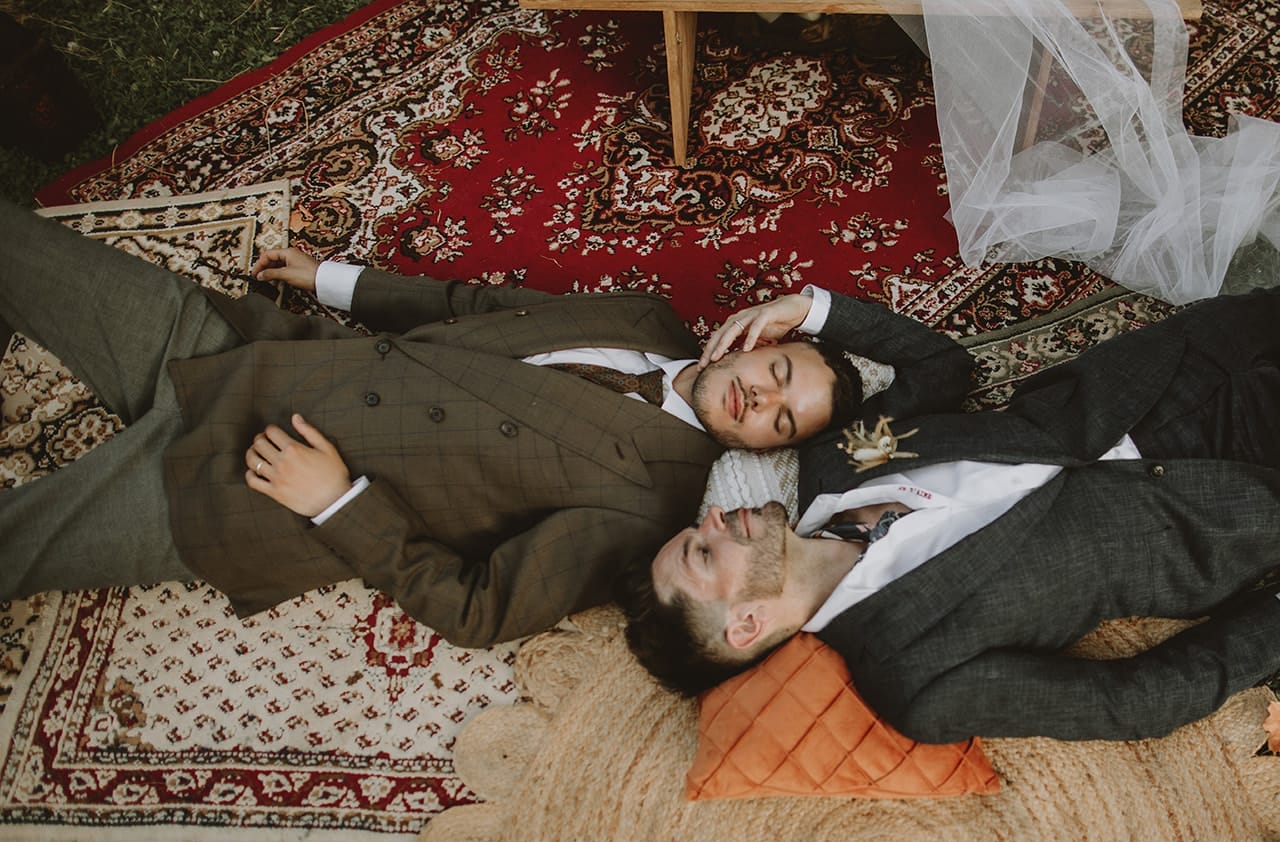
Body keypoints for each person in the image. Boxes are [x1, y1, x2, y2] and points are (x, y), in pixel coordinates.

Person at [624, 65, 1280, 742]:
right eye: (706, 551)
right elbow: (1124, 702)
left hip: (1158, 372)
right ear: (746, 627)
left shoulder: (831, 471)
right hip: (1220, 489)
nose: (717, 520)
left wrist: (815, 305)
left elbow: (939, 373)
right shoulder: (913, 676)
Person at [0, 208, 969, 647]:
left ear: (762, 453)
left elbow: (477, 610)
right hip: (242, 349)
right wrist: (336, 282)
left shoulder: (650, 505)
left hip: (236, 493)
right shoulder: (642, 319)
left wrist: (333, 502)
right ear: (757, 336)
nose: (763, 399)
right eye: (778, 371)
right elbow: (473, 304)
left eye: (781, 422)